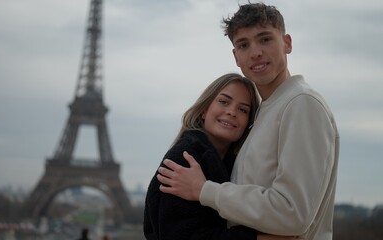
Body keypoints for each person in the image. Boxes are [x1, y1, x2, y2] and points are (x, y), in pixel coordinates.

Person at [157, 3, 339, 240]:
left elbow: (292, 213)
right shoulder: (265, 113)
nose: (255, 53)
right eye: (243, 44)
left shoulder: (301, 104)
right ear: (236, 56)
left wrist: (204, 190)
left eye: (265, 39)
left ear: (287, 43)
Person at [144, 73, 296, 240]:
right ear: (204, 110)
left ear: (248, 122)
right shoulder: (184, 159)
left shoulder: (232, 163)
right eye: (224, 102)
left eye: (243, 109)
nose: (231, 112)